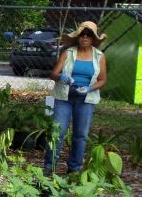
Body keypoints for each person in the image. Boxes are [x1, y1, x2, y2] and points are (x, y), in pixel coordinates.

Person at [44, 21, 108, 173]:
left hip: (86, 99)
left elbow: (103, 79)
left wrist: (90, 88)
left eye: (89, 34)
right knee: (57, 133)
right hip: (64, 97)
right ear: (78, 37)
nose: (85, 37)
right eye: (82, 34)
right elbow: (52, 74)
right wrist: (61, 77)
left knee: (80, 135)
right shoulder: (68, 53)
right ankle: (49, 168)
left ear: (93, 39)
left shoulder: (99, 56)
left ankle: (74, 169)